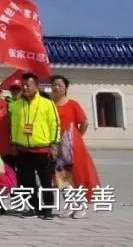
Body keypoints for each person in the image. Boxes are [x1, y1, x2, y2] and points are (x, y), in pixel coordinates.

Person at [10, 72, 60, 219]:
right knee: (27, 182)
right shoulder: (17, 105)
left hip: (42, 149)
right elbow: (14, 126)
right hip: (22, 149)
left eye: (28, 85)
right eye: (23, 85)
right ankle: (34, 207)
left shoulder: (47, 103)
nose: (25, 87)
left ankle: (48, 209)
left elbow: (55, 124)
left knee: (46, 181)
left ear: (36, 86)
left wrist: (54, 144)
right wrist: (13, 143)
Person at [50, 74, 99, 219]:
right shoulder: (49, 104)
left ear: (65, 88)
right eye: (54, 85)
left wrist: (76, 137)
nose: (56, 87)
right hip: (55, 145)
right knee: (60, 176)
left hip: (72, 145)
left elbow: (84, 122)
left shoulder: (73, 104)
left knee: (76, 176)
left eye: (60, 85)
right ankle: (70, 205)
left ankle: (81, 206)